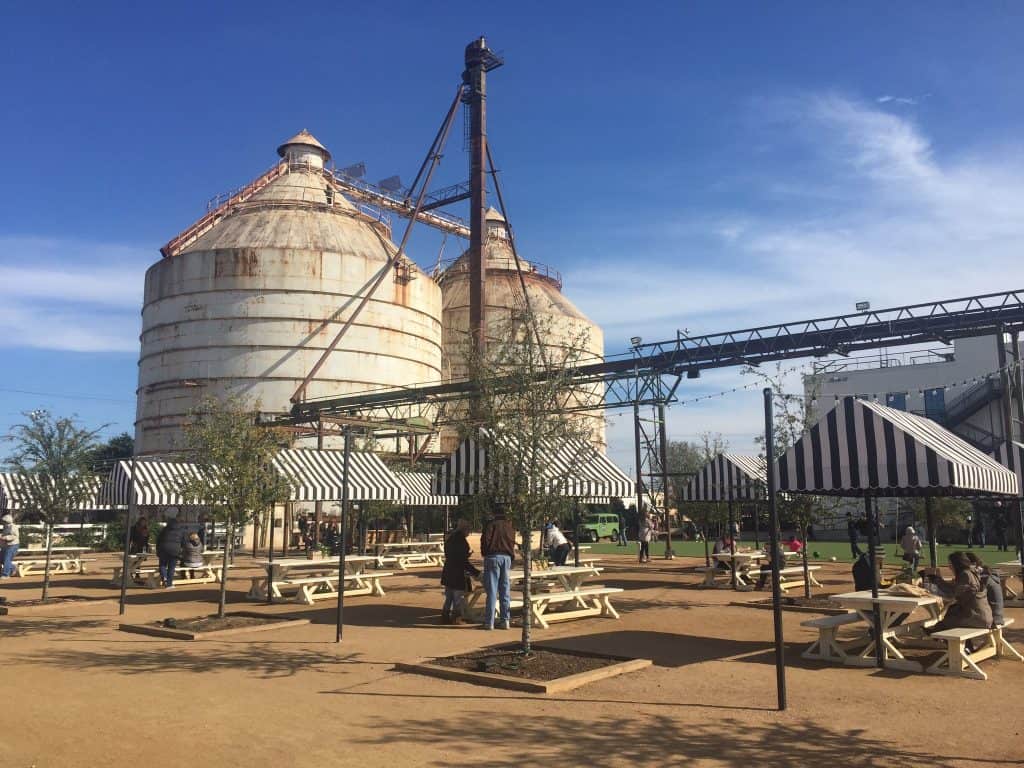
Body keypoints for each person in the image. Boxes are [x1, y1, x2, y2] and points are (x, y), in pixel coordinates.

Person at [926, 552, 993, 632]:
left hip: (977, 618)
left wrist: (937, 581)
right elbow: (957, 590)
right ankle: (936, 632)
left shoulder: (965, 574)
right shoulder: (971, 572)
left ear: (957, 564)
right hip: (984, 616)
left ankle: (935, 635)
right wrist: (939, 581)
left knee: (945, 623)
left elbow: (953, 593)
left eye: (950, 564)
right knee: (948, 618)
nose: (949, 567)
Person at [479, 507, 515, 630]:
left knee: (492, 591)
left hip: (492, 557)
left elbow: (485, 540)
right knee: (505, 590)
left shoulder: (490, 524)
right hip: (506, 557)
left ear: (494, 513)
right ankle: (505, 620)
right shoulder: (509, 526)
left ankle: (489, 622)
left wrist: (485, 553)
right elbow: (512, 542)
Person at [440, 519, 479, 625]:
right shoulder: (461, 541)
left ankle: (445, 616)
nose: (469, 532)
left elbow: (452, 554)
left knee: (449, 597)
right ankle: (456, 618)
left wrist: (465, 555)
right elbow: (463, 561)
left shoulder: (450, 538)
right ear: (464, 529)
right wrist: (476, 572)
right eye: (469, 530)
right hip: (457, 573)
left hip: (448, 570)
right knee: (458, 598)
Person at [965, 552, 1004, 626]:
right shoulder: (986, 573)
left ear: (973, 564)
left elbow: (967, 595)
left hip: (992, 619)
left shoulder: (982, 578)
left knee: (951, 618)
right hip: (997, 616)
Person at [156, 517, 184, 589]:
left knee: (162, 565)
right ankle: (169, 584)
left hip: (163, 549)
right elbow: (183, 542)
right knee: (171, 568)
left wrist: (157, 550)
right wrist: (181, 550)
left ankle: (165, 578)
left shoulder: (164, 530)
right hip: (175, 550)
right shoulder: (180, 531)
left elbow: (158, 540)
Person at [1, 514, 20, 578]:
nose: (2, 522)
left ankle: (6, 574)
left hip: (13, 545)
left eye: (3, 521)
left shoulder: (13, 527)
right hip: (5, 545)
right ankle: (13, 568)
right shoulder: (5, 527)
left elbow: (15, 536)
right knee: (2, 558)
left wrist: (5, 537)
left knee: (7, 559)